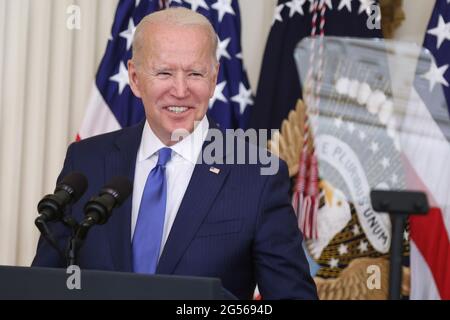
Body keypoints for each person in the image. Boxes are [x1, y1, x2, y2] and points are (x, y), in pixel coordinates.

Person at [32, 7, 317, 300]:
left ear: (214, 77)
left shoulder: (258, 176)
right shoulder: (86, 162)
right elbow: (43, 287)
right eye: (164, 72)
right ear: (134, 77)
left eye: (195, 73)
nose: (180, 91)